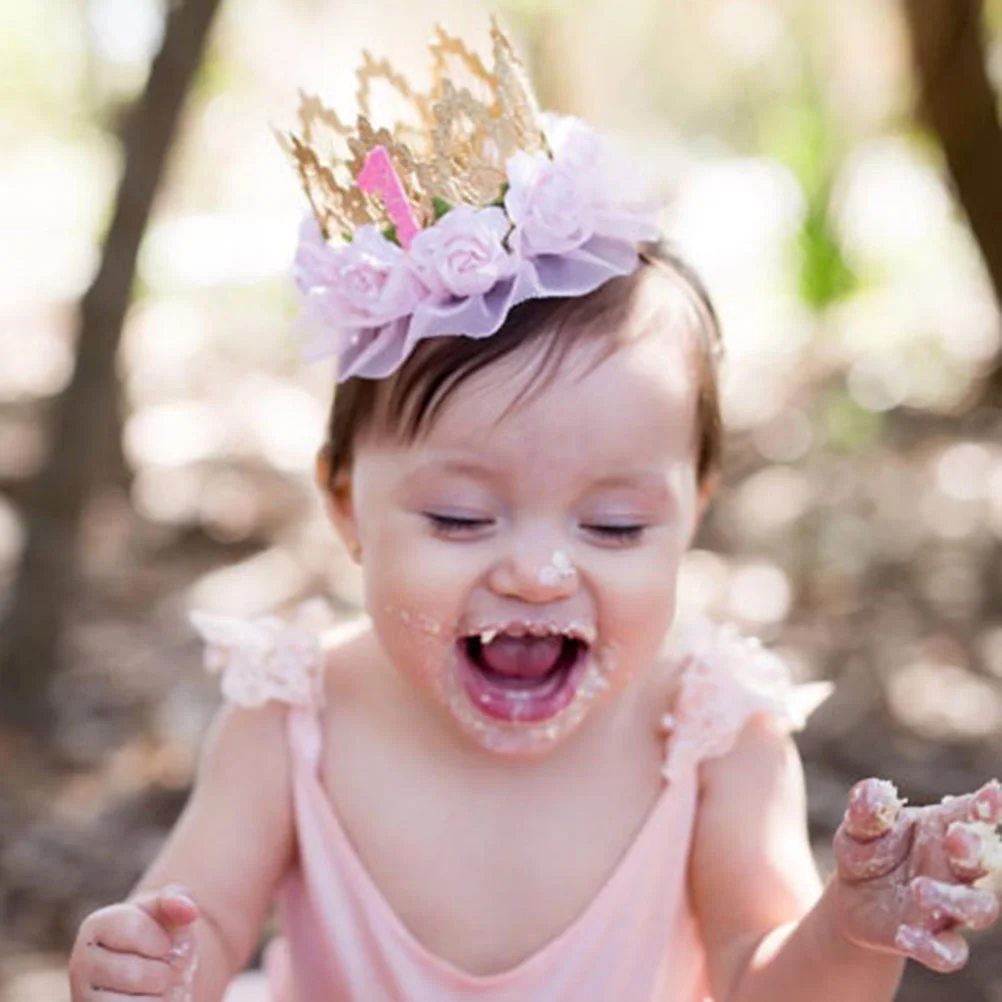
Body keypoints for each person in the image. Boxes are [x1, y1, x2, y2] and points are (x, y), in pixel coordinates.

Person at [67, 20, 1002, 1002]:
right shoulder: (294, 720)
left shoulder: (719, 739)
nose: (539, 571)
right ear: (345, 505)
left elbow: (759, 980)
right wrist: (151, 966)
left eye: (614, 527)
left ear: (693, 512)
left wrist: (851, 934)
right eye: (464, 518)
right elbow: (198, 925)